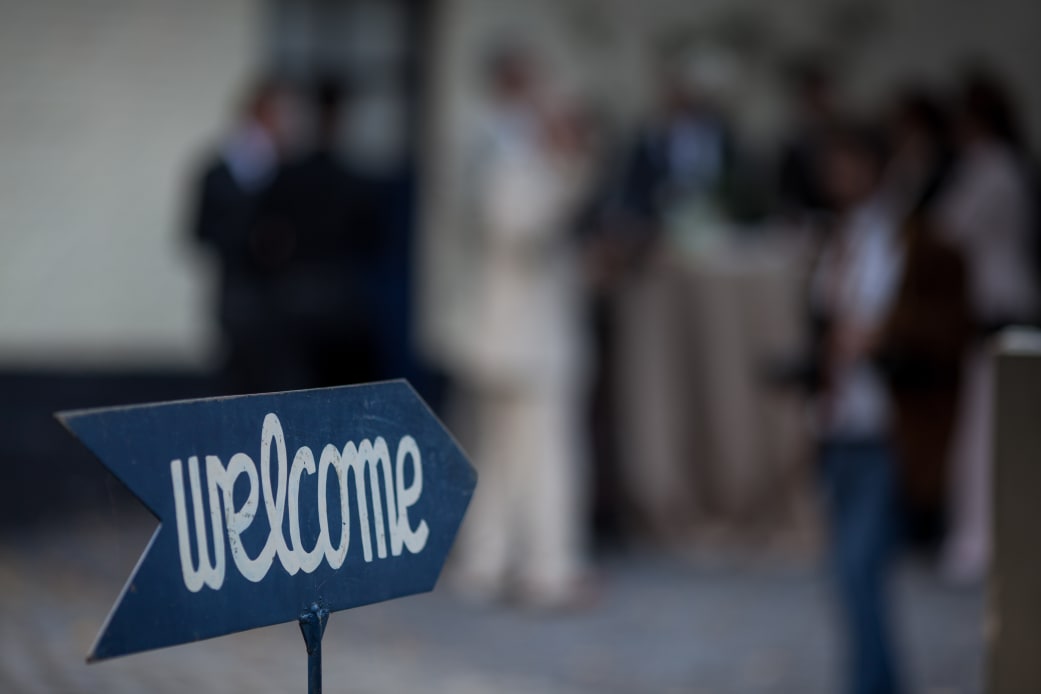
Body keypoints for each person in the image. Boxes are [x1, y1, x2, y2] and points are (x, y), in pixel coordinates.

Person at [452, 46, 594, 609]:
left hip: (513, 335)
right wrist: (563, 173)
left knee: (509, 455)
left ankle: (497, 563)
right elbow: (517, 228)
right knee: (536, 455)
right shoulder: (507, 156)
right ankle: (543, 567)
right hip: (521, 338)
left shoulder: (506, 153)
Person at [811, 124, 904, 694]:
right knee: (848, 574)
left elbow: (893, 321)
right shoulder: (841, 235)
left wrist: (867, 338)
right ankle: (875, 679)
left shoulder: (896, 237)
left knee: (857, 565)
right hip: (840, 414)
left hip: (881, 415)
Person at [935, 72, 1039, 583]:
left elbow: (947, 227)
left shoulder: (990, 167)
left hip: (996, 300)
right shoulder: (1006, 165)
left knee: (991, 424)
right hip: (1004, 297)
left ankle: (985, 534)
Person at [875, 90, 972, 553]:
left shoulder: (954, 172)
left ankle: (930, 516)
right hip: (915, 313)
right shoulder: (901, 173)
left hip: (941, 314)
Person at [248, 76, 386, 391]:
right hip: (341, 308)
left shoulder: (287, 177)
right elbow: (373, 242)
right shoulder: (356, 183)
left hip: (299, 307)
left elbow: (264, 241)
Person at [190, 77, 296, 393]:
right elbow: (199, 231)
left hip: (280, 304)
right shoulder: (220, 171)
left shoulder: (289, 173)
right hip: (239, 297)